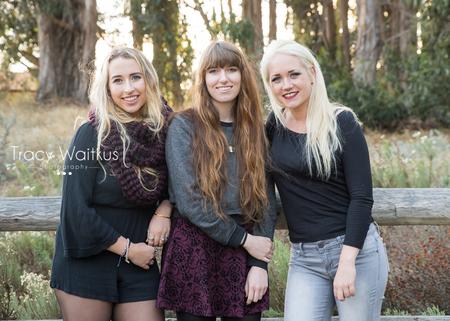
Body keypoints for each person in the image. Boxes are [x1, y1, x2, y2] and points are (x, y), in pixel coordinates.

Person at [260, 40, 389, 321]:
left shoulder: (341, 122)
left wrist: (347, 262)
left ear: (312, 74)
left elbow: (362, 197)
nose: (286, 85)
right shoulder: (273, 127)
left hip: (357, 252)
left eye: (294, 74)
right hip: (305, 259)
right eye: (276, 79)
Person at [156, 41, 277, 321]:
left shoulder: (257, 130)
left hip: (246, 254)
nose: (223, 78)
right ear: (203, 79)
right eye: (213, 71)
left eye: (231, 70)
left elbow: (267, 200)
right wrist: (245, 240)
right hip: (195, 247)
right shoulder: (184, 126)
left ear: (242, 76)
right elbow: (189, 201)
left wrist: (259, 263)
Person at [50, 47, 172, 321]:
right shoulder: (90, 134)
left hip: (140, 266)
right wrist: (129, 250)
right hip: (88, 262)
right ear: (106, 88)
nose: (128, 88)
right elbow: (75, 211)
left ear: (148, 80)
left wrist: (164, 209)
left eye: (135, 77)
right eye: (118, 80)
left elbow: (179, 181)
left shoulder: (166, 131)